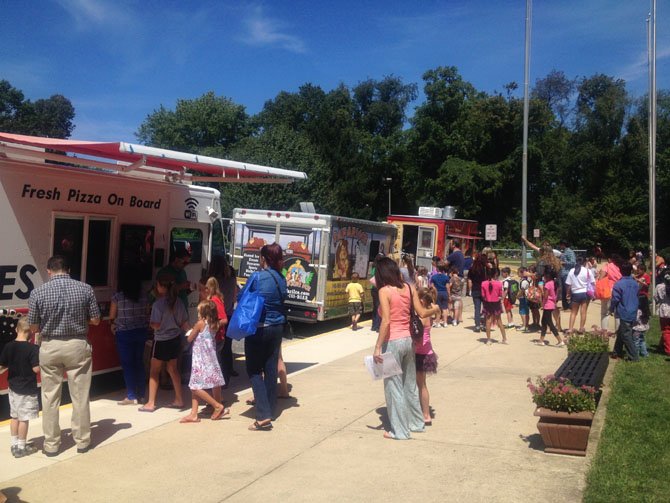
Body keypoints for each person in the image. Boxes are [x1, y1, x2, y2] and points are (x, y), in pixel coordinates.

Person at [28, 255, 101, 456]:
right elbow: (95, 320)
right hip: (77, 345)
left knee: (50, 397)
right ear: (68, 270)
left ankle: (51, 444)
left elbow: (33, 326)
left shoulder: (38, 293)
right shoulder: (85, 289)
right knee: (80, 395)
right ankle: (82, 441)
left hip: (50, 346)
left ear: (49, 270)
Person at [371, 257, 440, 439]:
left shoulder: (384, 291)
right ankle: (416, 423)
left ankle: (399, 431)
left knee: (393, 387)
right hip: (409, 341)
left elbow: (385, 321)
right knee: (410, 384)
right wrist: (436, 309)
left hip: (392, 342)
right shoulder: (409, 288)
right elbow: (423, 312)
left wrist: (377, 347)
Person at [241, 243, 287, 431]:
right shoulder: (281, 279)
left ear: (263, 259)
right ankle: (270, 408)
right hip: (277, 327)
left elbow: (243, 296)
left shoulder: (257, 277)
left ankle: (262, 415)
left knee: (253, 369)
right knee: (270, 367)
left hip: (259, 327)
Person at [140, 278, 190, 413]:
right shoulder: (179, 302)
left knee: (154, 371)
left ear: (161, 287)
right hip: (174, 339)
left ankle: (150, 403)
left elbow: (156, 324)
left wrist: (150, 323)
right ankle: (179, 399)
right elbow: (184, 322)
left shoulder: (158, 305)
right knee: (173, 370)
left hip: (161, 340)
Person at [180, 300, 229, 423]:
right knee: (215, 383)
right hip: (211, 358)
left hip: (200, 360)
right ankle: (195, 413)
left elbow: (190, 338)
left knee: (194, 387)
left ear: (203, 312)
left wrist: (190, 331)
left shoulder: (200, 323)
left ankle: (217, 406)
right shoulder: (214, 324)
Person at [0, 318, 40, 458]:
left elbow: (3, 365)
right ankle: (22, 447)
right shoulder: (33, 349)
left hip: (12, 387)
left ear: (16, 329)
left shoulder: (8, 346)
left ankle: (14, 443)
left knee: (14, 416)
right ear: (30, 332)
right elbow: (36, 369)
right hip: (27, 389)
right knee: (24, 419)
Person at [110, 267, 149, 405]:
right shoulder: (144, 295)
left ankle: (131, 395)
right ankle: (142, 395)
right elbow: (146, 313)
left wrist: (113, 325)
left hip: (124, 334)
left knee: (128, 365)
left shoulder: (117, 297)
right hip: (141, 332)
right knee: (139, 362)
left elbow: (112, 315)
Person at [207, 255, 239, 383]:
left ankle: (217, 377)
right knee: (227, 347)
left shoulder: (212, 282)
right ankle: (228, 371)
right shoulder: (231, 279)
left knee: (215, 348)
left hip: (216, 317)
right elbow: (235, 296)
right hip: (229, 315)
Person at [415, 287, 439, 426]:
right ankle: (426, 414)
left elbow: (417, 339)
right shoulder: (430, 313)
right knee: (422, 385)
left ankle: (424, 414)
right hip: (427, 352)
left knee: (418, 385)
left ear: (422, 301)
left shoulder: (422, 316)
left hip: (419, 354)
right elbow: (438, 313)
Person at [203, 276, 228, 403]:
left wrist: (213, 326)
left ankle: (217, 399)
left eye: (204, 288)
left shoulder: (215, 300)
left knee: (214, 369)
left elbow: (224, 319)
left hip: (216, 338)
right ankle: (216, 398)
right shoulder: (211, 299)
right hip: (214, 338)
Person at [610, 262, 639, 361]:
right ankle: (616, 352)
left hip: (624, 311)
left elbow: (615, 299)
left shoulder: (618, 284)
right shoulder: (635, 283)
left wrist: (611, 308)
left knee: (626, 334)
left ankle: (633, 356)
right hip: (633, 310)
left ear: (620, 271)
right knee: (622, 331)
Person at [536, 268, 564, 347]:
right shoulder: (554, 283)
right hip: (551, 304)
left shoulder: (548, 284)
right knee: (544, 322)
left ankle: (560, 340)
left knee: (550, 323)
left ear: (547, 276)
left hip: (548, 305)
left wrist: (541, 290)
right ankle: (541, 340)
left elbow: (545, 296)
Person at [565, 257, 593, 335]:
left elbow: (568, 284)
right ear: (584, 263)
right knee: (583, 312)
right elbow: (592, 282)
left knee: (573, 312)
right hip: (585, 293)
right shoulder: (588, 271)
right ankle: (581, 328)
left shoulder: (572, 271)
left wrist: (568, 293)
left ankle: (570, 329)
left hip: (575, 293)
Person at [481, 267, 508, 345]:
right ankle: (504, 339)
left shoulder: (483, 283)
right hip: (496, 304)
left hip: (487, 304)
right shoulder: (499, 283)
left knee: (488, 322)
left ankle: (488, 339)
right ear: (495, 275)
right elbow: (500, 294)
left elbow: (483, 295)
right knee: (499, 321)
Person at [598, 254, 622, 334]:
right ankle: (617, 332)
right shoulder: (620, 267)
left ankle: (604, 330)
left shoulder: (608, 266)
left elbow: (601, 278)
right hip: (618, 290)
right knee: (617, 313)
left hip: (607, 291)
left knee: (605, 312)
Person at [468, 253, 487, 332]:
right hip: (485, 290)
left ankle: (477, 325)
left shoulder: (472, 268)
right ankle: (485, 324)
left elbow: (469, 280)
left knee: (477, 308)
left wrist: (470, 290)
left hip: (475, 289)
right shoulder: (486, 268)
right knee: (486, 308)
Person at [654, 270, 670, 355]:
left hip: (664, 311)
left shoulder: (659, 286)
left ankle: (668, 349)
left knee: (666, 330)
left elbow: (656, 298)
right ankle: (662, 345)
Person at [429, 262, 450, 327]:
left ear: (437, 269)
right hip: (444, 293)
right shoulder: (446, 277)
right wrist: (449, 295)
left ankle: (437, 322)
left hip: (437, 293)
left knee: (437, 308)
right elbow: (448, 287)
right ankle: (445, 322)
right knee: (445, 308)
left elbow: (432, 286)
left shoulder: (434, 277)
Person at [558, 240, 576, 310]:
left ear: (563, 244)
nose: (560, 246)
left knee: (568, 290)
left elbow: (573, 262)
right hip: (562, 273)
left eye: (560, 245)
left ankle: (570, 306)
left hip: (567, 273)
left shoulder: (570, 252)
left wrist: (563, 263)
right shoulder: (564, 252)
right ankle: (565, 306)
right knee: (563, 290)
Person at [517, 267, 531, 332]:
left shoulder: (523, 281)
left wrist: (517, 296)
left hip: (523, 298)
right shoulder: (527, 280)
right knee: (526, 312)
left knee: (522, 312)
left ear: (522, 273)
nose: (517, 273)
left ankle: (524, 325)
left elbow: (522, 290)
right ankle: (526, 325)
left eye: (518, 272)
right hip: (526, 298)